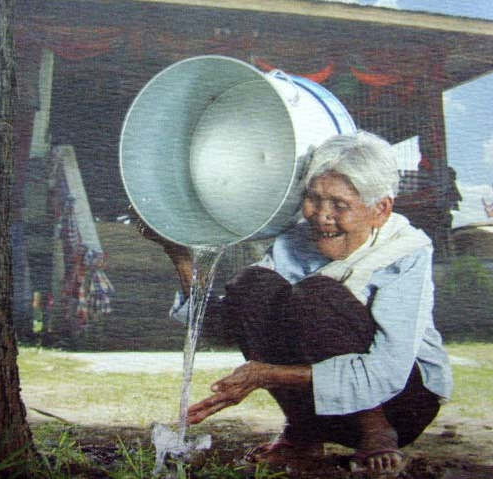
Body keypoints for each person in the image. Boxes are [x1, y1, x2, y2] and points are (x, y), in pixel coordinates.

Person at [139, 131, 453, 478]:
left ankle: (373, 429)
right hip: (322, 408)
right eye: (314, 199)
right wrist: (181, 256)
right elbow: (225, 324)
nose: (322, 215)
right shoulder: (298, 240)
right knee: (252, 286)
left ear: (380, 210)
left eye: (339, 205)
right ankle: (303, 433)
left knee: (316, 295)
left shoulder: (407, 251)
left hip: (401, 405)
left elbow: (387, 372)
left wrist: (266, 374)